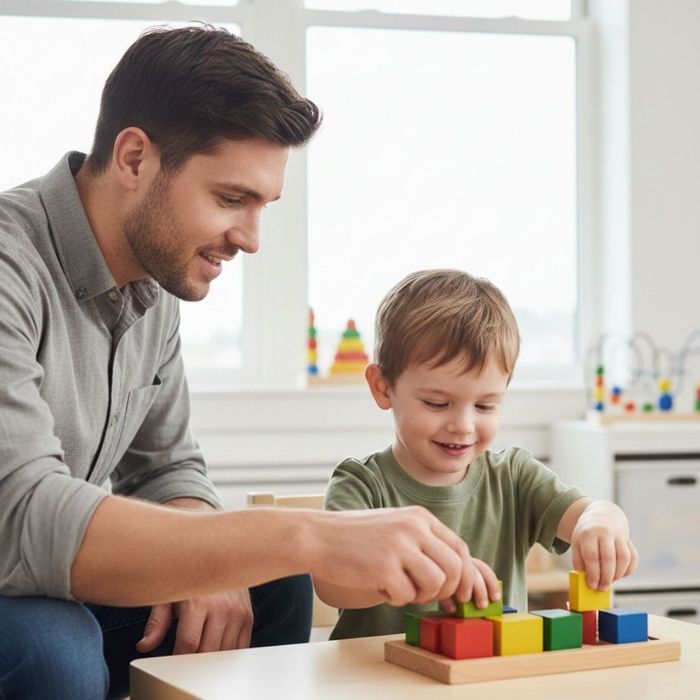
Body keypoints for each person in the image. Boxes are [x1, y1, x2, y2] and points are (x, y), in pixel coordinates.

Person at [0, 27, 484, 700]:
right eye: (231, 199)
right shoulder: (9, 265)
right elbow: (22, 514)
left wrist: (213, 545)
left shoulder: (152, 282)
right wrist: (304, 534)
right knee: (58, 650)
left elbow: (166, 468)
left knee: (271, 585)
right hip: (13, 571)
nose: (251, 239)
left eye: (263, 206)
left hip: (45, 575)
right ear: (135, 158)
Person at [314, 269, 639, 640]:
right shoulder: (362, 484)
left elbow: (591, 511)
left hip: (488, 681)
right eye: (437, 403)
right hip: (378, 682)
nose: (463, 425)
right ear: (382, 387)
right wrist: (431, 574)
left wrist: (602, 522)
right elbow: (332, 585)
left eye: (485, 406)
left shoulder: (515, 476)